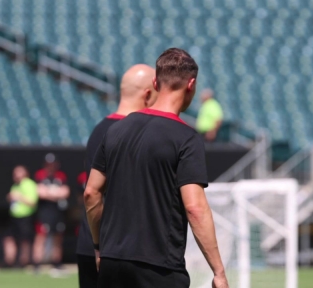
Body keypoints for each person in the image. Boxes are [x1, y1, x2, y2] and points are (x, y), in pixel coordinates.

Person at [84, 48, 229, 288]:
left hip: (112, 263)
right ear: (191, 84)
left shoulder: (116, 130)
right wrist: (218, 271)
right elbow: (194, 208)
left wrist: (99, 247)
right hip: (158, 269)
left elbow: (91, 193)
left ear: (155, 81)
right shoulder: (186, 138)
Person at [77, 64, 158, 288]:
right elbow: (93, 194)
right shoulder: (132, 133)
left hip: (95, 245)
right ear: (148, 94)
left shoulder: (99, 130)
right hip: (114, 252)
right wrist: (101, 246)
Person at [32, 153, 70, 276]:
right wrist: (55, 193)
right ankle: (37, 264)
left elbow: (65, 192)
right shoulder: (40, 175)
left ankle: (56, 263)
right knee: (41, 237)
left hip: (58, 213)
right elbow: (40, 192)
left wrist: (50, 193)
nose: (51, 167)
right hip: (44, 213)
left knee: (57, 238)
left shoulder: (61, 176)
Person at [3, 166, 38, 267]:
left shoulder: (29, 185)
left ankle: (24, 262)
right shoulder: (15, 186)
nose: (15, 175)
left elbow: (33, 202)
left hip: (25, 217)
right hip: (14, 217)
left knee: (25, 240)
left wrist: (19, 197)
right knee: (9, 238)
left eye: (18, 173)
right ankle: (9, 261)